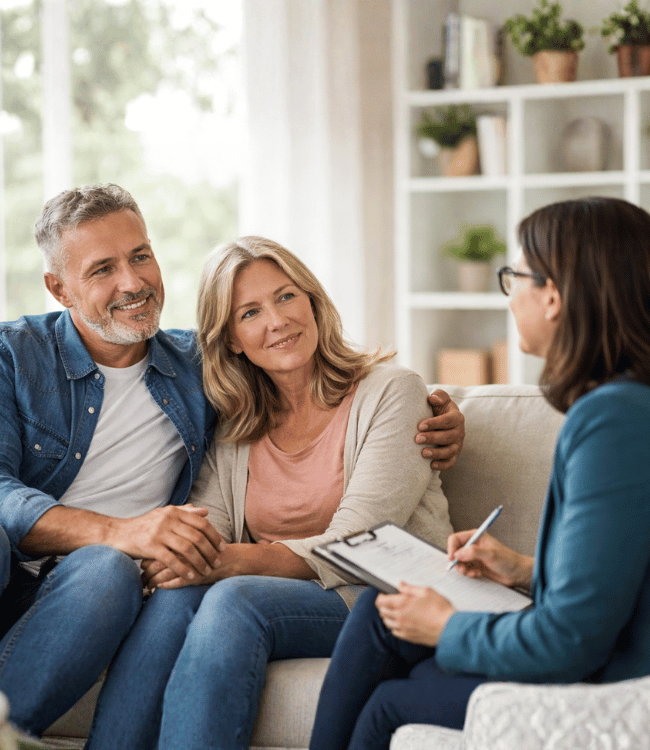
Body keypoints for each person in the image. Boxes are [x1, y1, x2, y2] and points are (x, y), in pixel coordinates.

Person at [0, 184, 464, 740]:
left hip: (372, 588)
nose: (132, 282)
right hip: (34, 576)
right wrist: (150, 544)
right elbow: (209, 517)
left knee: (196, 590)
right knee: (145, 579)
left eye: (140, 256)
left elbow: (357, 539)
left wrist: (445, 415)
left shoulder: (214, 377)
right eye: (103, 268)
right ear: (59, 287)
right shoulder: (226, 402)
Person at [308, 196, 650, 750]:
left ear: (555, 297)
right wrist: (519, 569)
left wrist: (445, 627)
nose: (509, 294)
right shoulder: (627, 406)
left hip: (610, 684)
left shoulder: (614, 421)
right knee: (381, 609)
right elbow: (620, 583)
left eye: (515, 276)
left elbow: (571, 640)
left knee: (393, 701)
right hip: (605, 651)